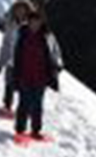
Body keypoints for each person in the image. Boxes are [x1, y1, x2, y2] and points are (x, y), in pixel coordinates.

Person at [10, 8, 63, 138]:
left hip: (41, 77)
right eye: (32, 21)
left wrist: (58, 65)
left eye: (37, 22)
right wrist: (12, 70)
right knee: (24, 104)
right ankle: (20, 130)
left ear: (41, 22)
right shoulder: (21, 35)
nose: (35, 24)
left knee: (38, 105)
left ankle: (36, 131)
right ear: (28, 22)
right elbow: (14, 53)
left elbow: (56, 52)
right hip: (24, 76)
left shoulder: (47, 36)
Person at [0, 0, 34, 118]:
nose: (20, 13)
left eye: (23, 10)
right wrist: (0, 62)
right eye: (18, 10)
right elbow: (6, 43)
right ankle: (7, 107)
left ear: (27, 11)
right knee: (9, 85)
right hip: (12, 61)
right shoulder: (11, 24)